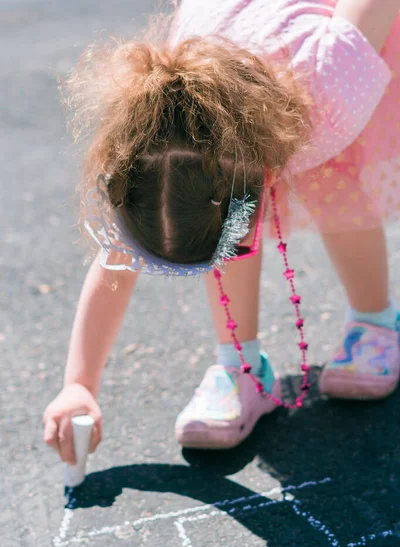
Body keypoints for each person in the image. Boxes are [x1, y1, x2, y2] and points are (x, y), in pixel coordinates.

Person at [43, 0, 400, 463]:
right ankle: (240, 364)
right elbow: (114, 266)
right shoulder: (155, 154)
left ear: (264, 181)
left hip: (320, 59)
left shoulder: (330, 83)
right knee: (223, 215)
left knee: (335, 178)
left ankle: (376, 320)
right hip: (235, 48)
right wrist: (78, 384)